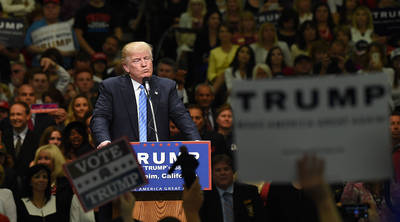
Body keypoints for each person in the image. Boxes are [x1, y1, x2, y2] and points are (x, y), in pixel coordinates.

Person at [91, 41, 200, 149]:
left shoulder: (166, 87)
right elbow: (101, 117)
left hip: (159, 155)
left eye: (147, 58)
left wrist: (197, 142)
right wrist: (104, 140)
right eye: (137, 60)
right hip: (125, 155)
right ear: (126, 67)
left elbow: (181, 116)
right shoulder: (111, 87)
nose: (144, 64)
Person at [199, 154, 266, 221]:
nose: (222, 173)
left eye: (226, 169)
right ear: (212, 174)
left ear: (232, 172)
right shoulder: (204, 197)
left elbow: (261, 218)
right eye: (218, 170)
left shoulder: (250, 192)